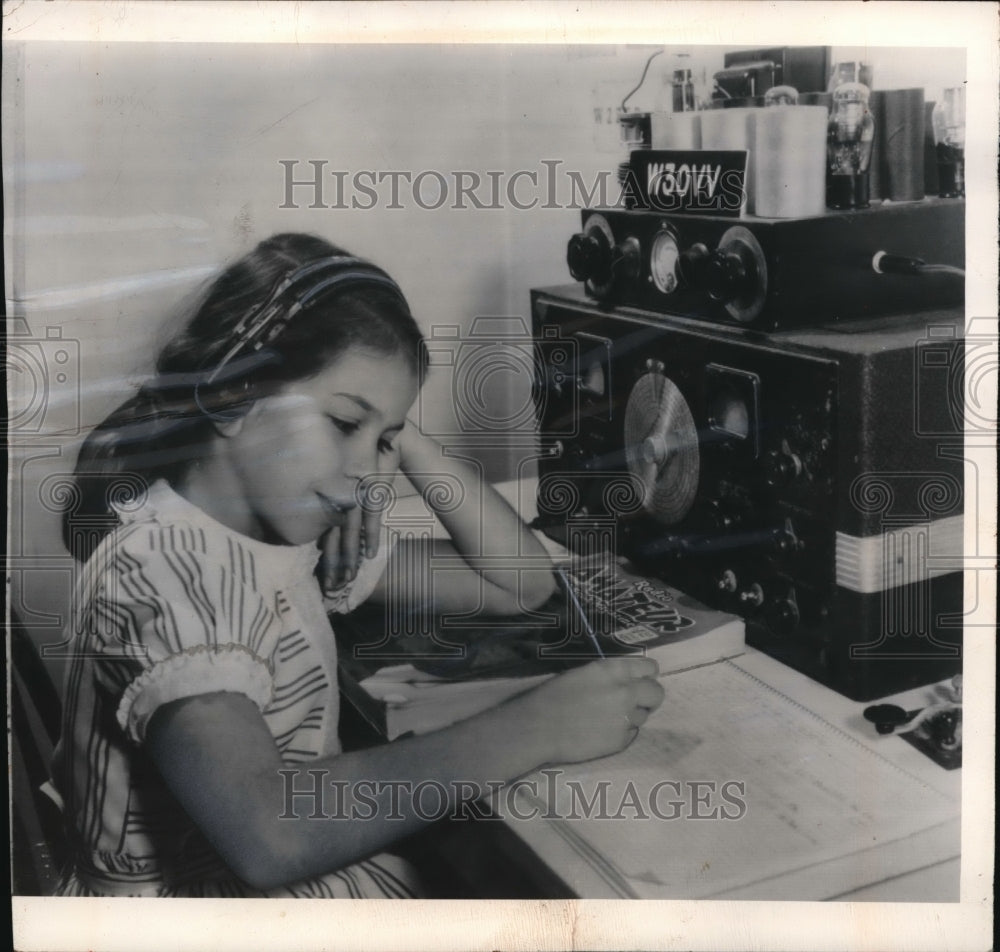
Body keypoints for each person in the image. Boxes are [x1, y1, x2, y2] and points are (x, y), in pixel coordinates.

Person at [51, 233, 665, 898]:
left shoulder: (280, 539)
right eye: (344, 424)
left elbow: (520, 583)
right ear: (231, 395)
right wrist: (535, 728)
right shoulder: (162, 572)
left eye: (385, 442)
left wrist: (399, 437)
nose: (367, 472)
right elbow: (270, 835)